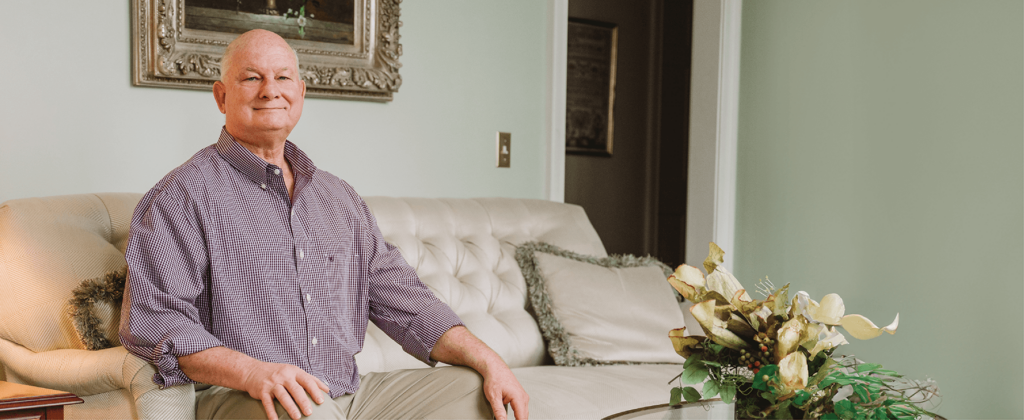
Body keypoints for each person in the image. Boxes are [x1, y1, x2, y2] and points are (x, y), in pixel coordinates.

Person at [119, 29, 529, 420]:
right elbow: (158, 319)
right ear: (221, 96)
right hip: (245, 396)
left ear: (300, 92)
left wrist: (488, 358)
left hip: (347, 395)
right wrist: (253, 373)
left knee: (475, 390)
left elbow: (405, 299)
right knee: (297, 406)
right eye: (252, 78)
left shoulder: (338, 197)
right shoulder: (181, 196)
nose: (270, 90)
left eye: (283, 77)